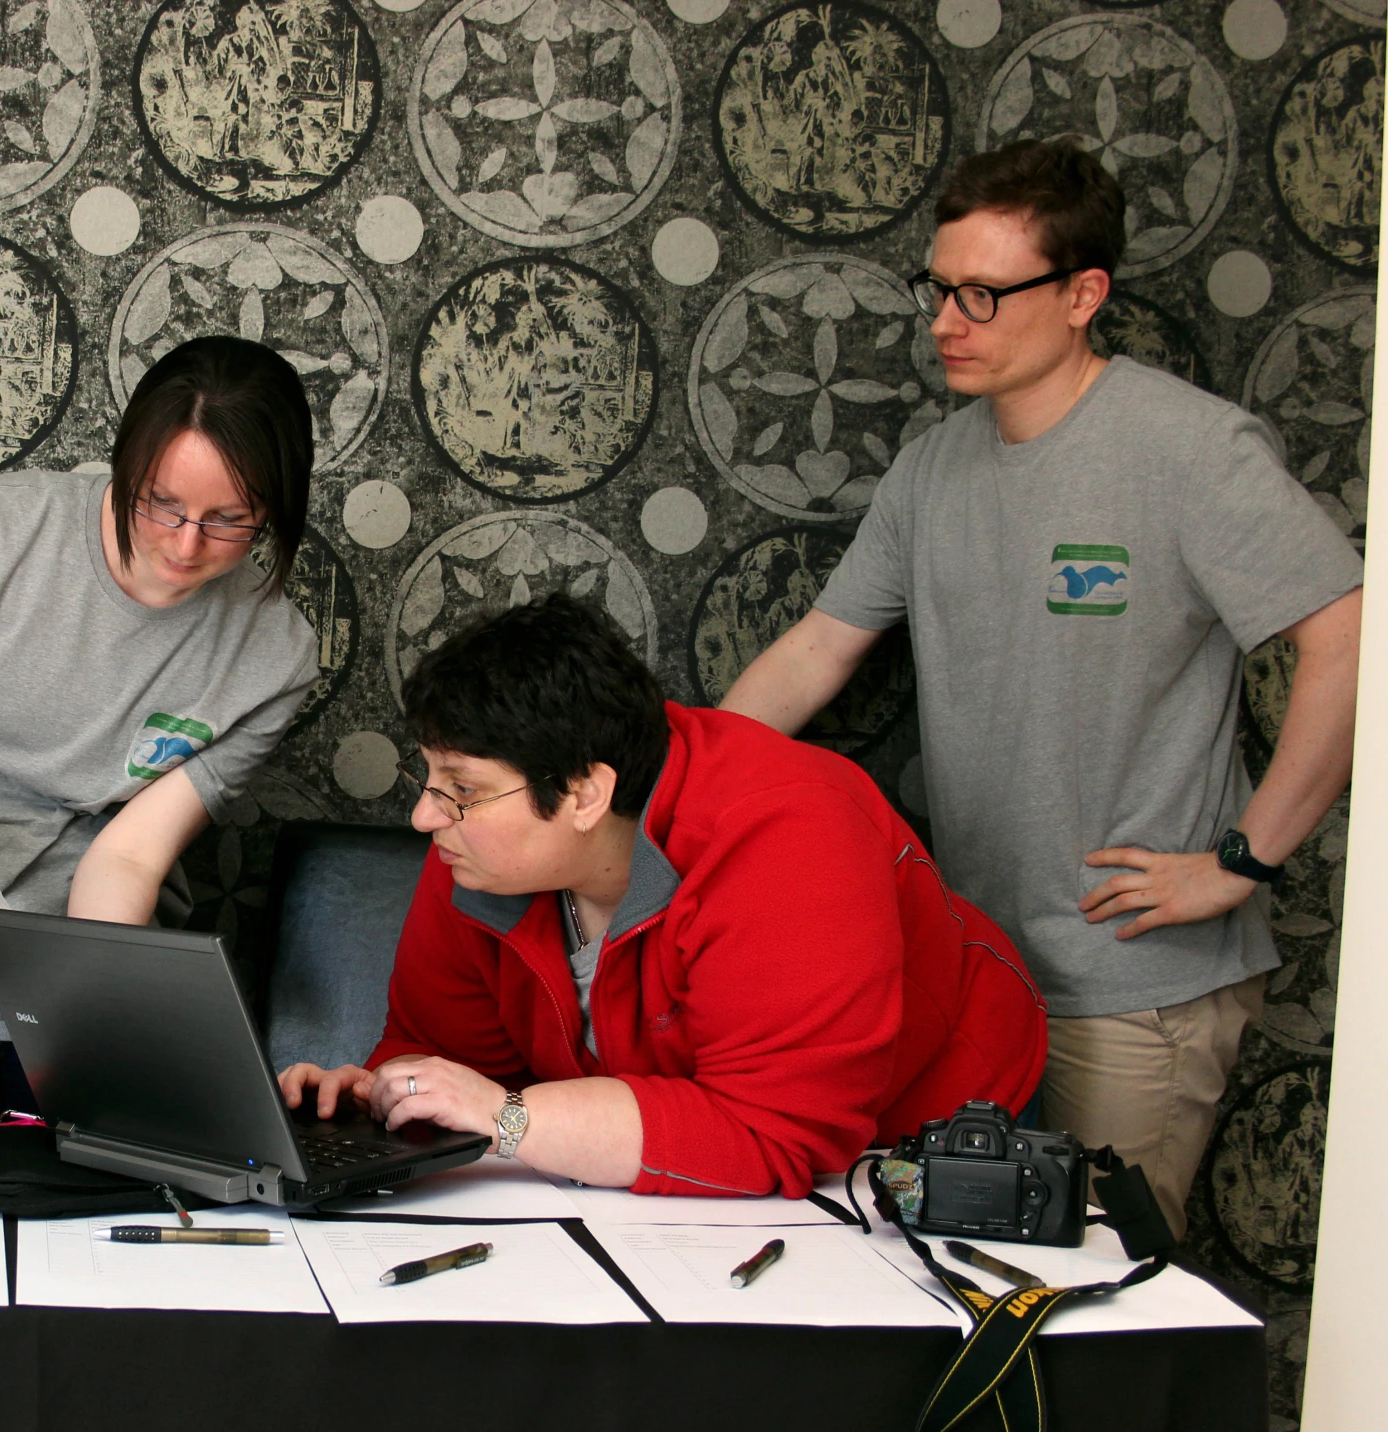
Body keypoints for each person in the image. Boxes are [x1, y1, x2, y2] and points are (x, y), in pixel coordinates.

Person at [719, 139, 1364, 1236]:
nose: (943, 321)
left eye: (981, 293)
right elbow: (818, 651)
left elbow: (1346, 635)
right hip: (975, 971)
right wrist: (688, 791)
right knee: (959, 1287)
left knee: (1102, 1301)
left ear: (1082, 295)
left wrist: (1241, 860)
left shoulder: (1188, 448)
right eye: (938, 288)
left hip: (1132, 986)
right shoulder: (933, 467)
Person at [280, 594, 1046, 1199]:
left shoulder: (790, 835)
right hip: (674, 1168)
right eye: (431, 780)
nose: (425, 816)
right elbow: (450, 1057)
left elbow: (775, 1135)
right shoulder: (475, 857)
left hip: (923, 1136)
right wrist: (382, 1096)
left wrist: (509, 1118)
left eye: (462, 791)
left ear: (585, 792)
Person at [0, 336, 320, 1127]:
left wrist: (64, 991)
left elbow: (129, 853)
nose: (186, 545)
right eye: (162, 503)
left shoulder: (273, 655)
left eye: (230, 521)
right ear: (125, 464)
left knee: (82, 1240)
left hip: (87, 990)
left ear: (276, 507)